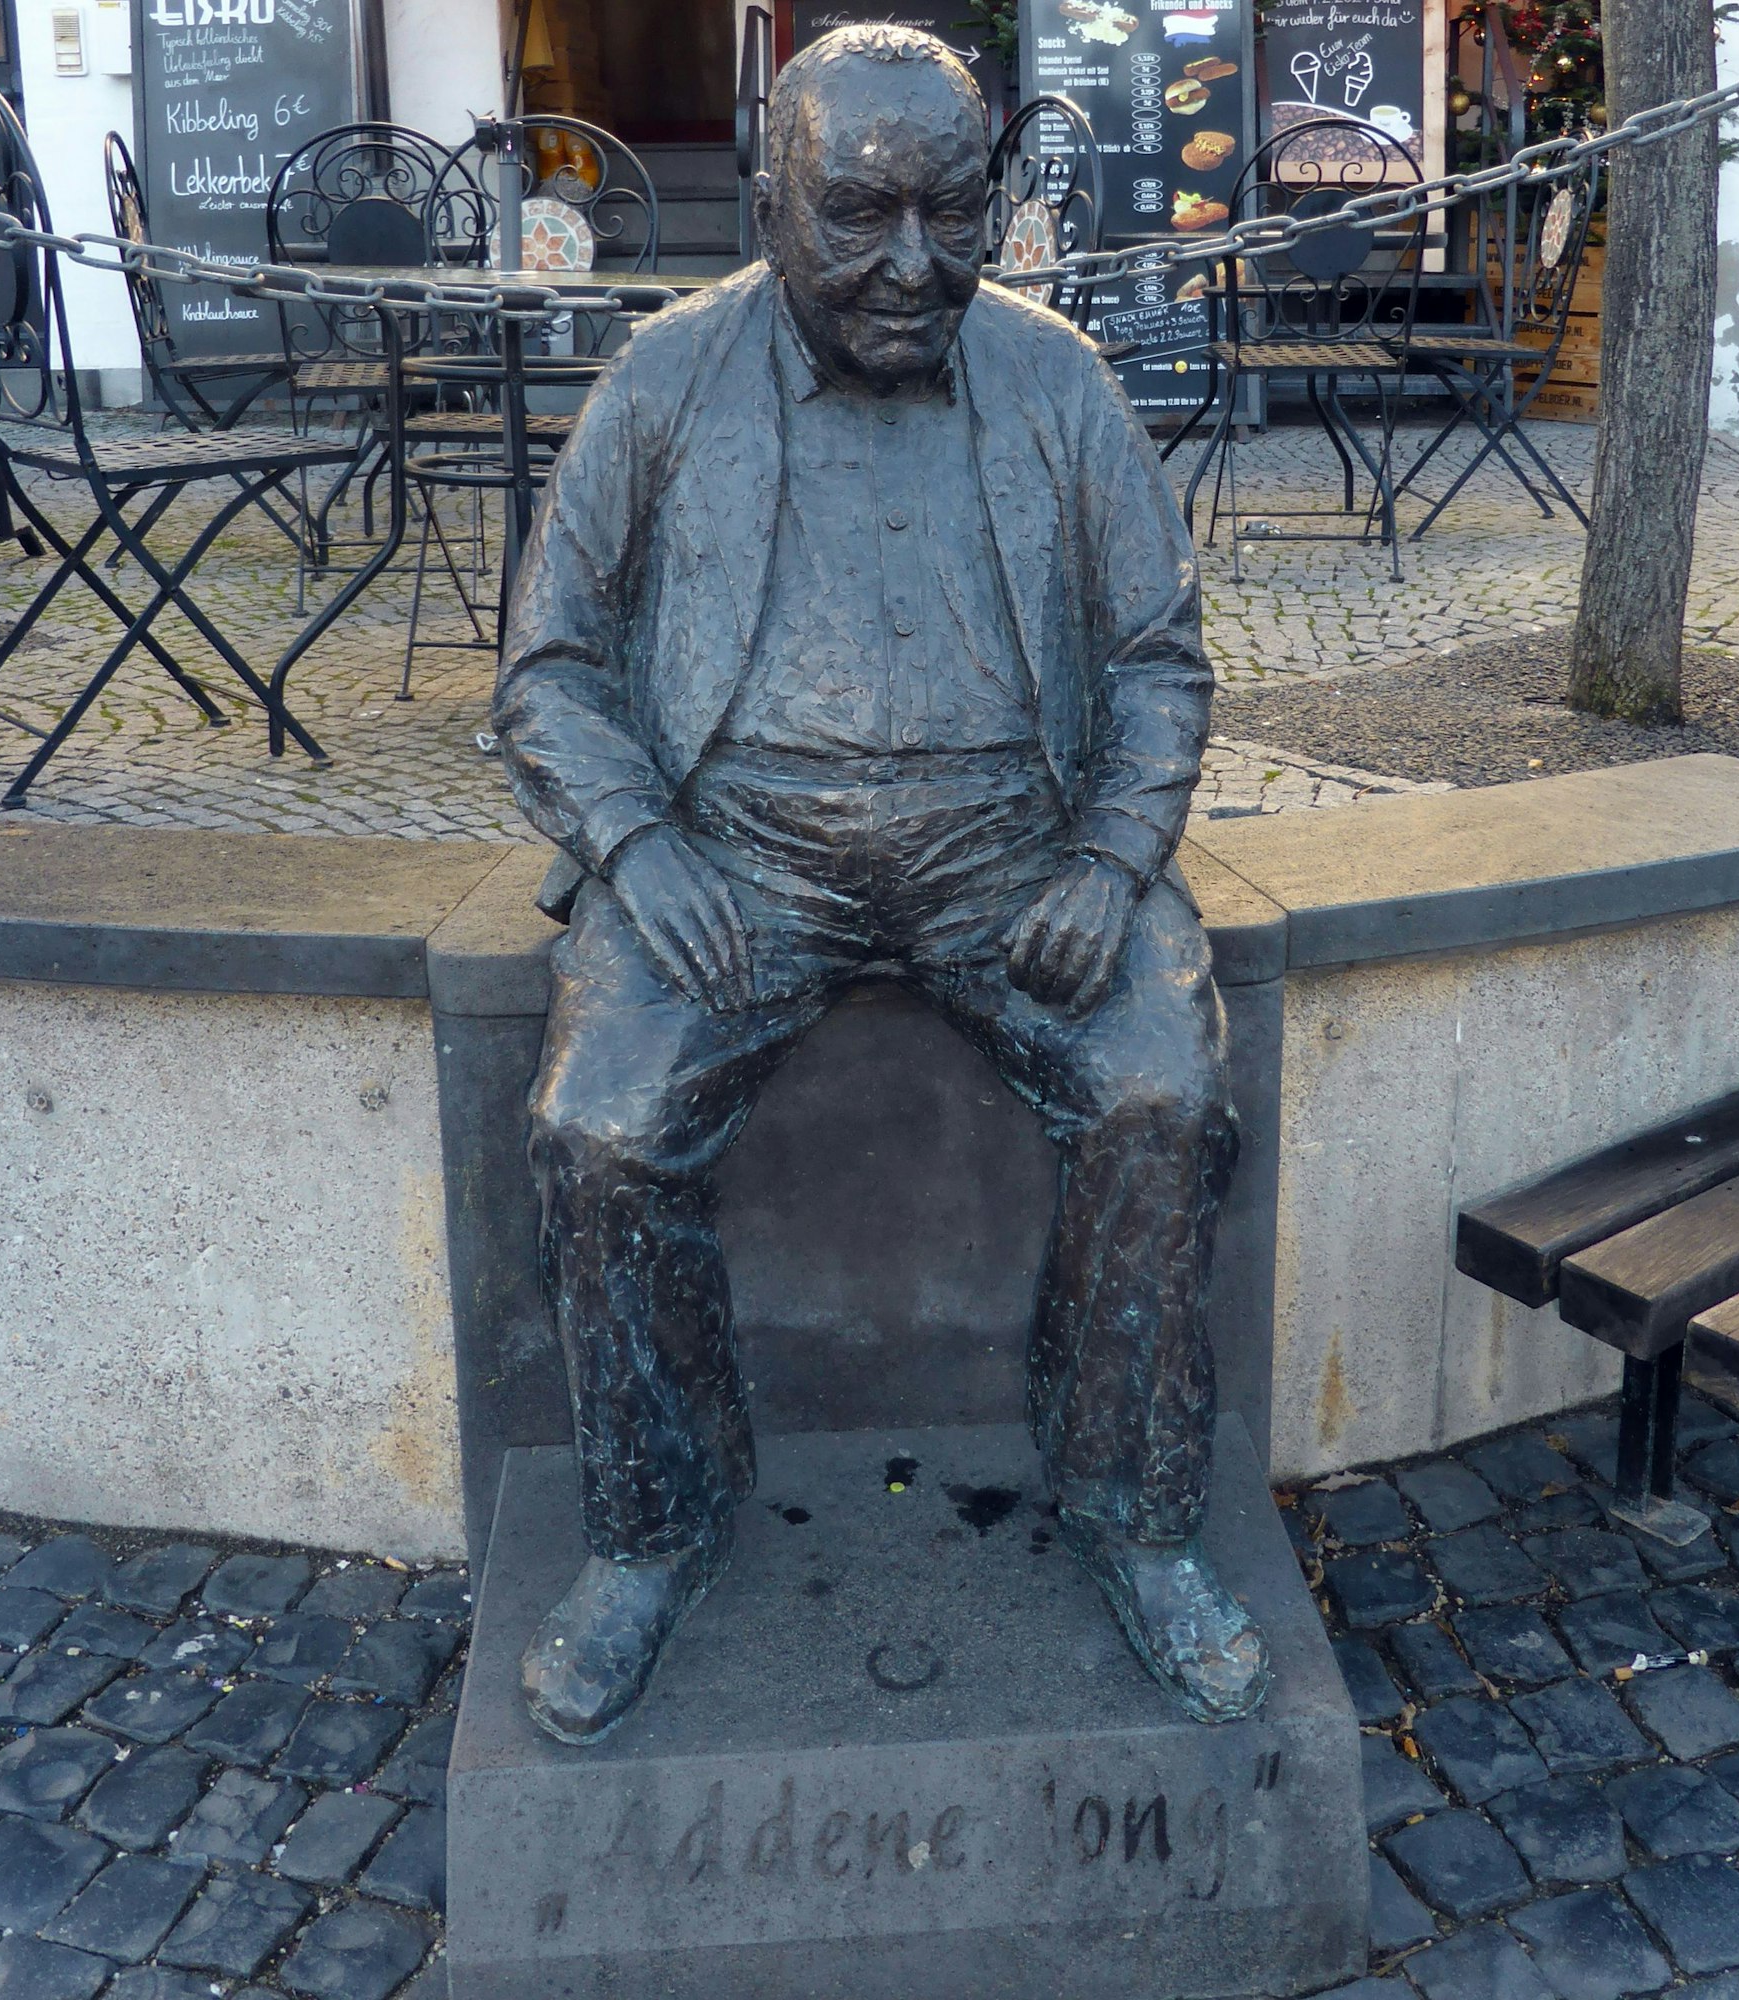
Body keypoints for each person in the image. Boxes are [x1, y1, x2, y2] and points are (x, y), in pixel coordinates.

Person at [494, 22, 1268, 1745]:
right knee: (599, 1131)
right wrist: (637, 843)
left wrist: (1112, 851)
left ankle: (1138, 1516)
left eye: (951, 211)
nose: (910, 264)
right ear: (771, 204)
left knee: (1161, 1088)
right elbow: (544, 671)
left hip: (1017, 847)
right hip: (734, 855)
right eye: (857, 214)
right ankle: (655, 1529)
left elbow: (1157, 657)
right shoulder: (667, 382)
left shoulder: (1058, 379)